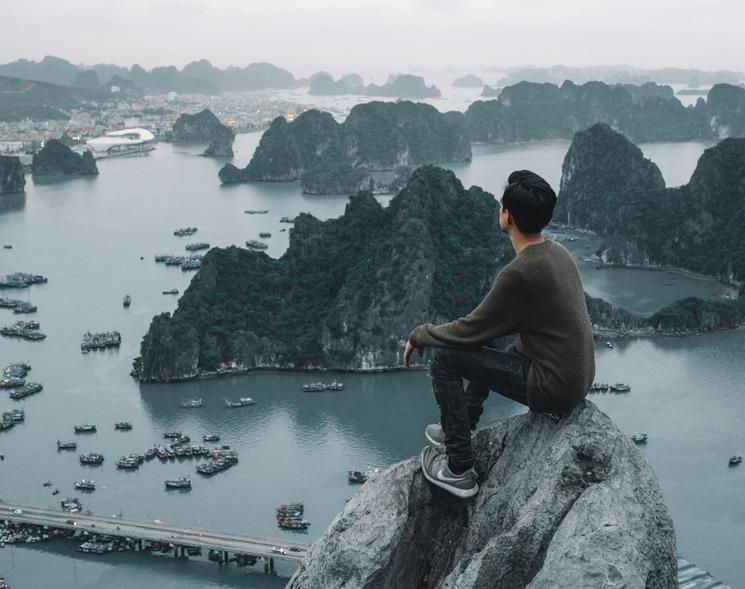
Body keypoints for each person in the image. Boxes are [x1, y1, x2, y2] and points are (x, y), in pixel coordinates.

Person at [404, 170, 595, 499]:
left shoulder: (519, 273)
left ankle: (459, 468)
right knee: (494, 333)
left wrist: (421, 334)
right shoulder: (557, 252)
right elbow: (487, 328)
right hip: (572, 377)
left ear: (507, 215)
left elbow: (470, 329)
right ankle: (462, 426)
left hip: (553, 387)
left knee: (444, 359)